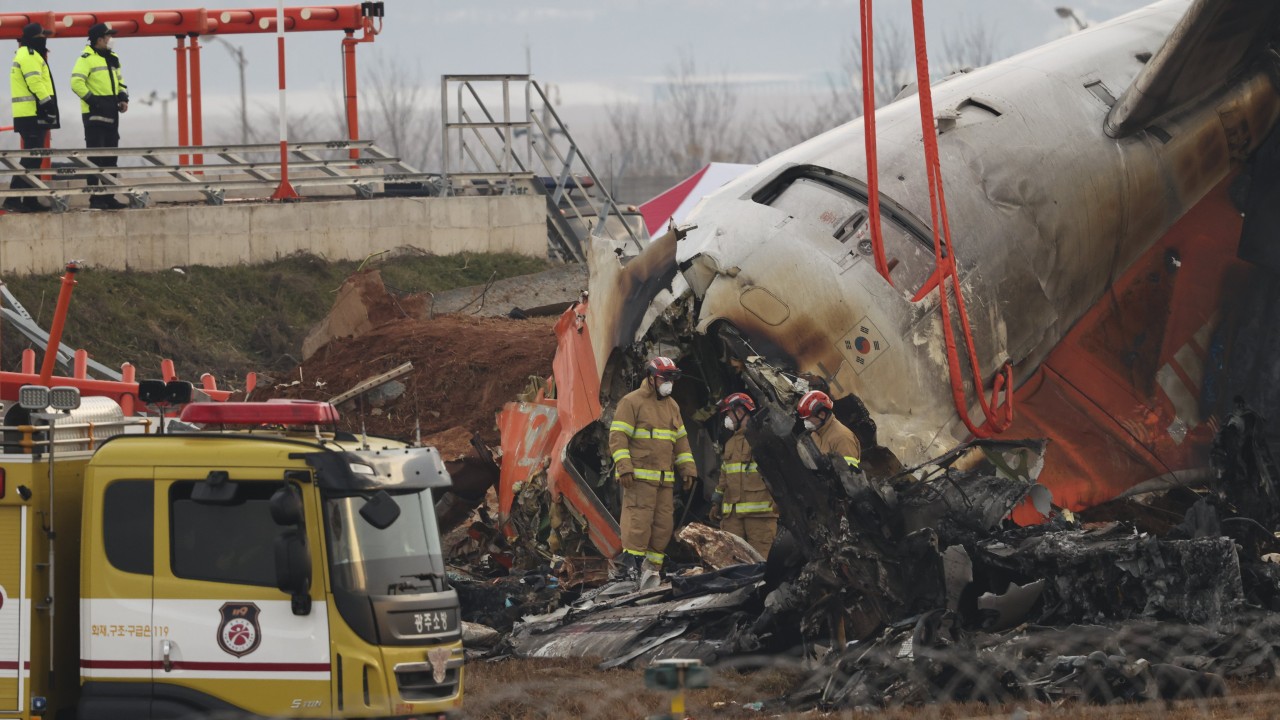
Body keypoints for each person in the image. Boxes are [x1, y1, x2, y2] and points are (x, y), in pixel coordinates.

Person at [608, 356, 698, 587]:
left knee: (663, 527)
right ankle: (631, 571)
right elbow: (618, 437)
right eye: (664, 378)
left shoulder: (672, 406)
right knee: (638, 523)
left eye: (672, 379)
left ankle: (652, 572)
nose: (669, 383)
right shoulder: (632, 402)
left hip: (664, 480)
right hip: (638, 479)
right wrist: (624, 467)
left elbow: (681, 441)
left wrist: (687, 469)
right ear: (650, 378)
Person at [710, 392, 777, 558]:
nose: (727, 418)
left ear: (740, 411)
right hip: (732, 516)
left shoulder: (762, 440)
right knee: (730, 560)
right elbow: (724, 476)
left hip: (759, 516)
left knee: (761, 561)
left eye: (729, 414)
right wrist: (716, 501)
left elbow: (778, 476)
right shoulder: (730, 443)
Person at [71, 23, 128, 210]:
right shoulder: (86, 58)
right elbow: (76, 83)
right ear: (99, 39)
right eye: (108, 36)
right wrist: (94, 102)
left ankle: (109, 197)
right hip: (94, 116)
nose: (111, 39)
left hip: (112, 113)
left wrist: (123, 97)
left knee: (111, 158)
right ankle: (95, 198)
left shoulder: (113, 57)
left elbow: (120, 81)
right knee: (95, 158)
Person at [6, 23, 58, 213]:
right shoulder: (28, 56)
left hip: (31, 113)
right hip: (31, 114)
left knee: (34, 159)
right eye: (42, 36)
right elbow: (35, 82)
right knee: (31, 159)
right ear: (34, 38)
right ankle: (13, 199)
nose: (44, 39)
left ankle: (29, 199)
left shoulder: (29, 54)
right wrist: (48, 104)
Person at [796, 389, 861, 470]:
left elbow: (850, 473)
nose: (806, 422)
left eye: (808, 418)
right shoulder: (817, 430)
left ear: (822, 415)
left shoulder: (843, 438)